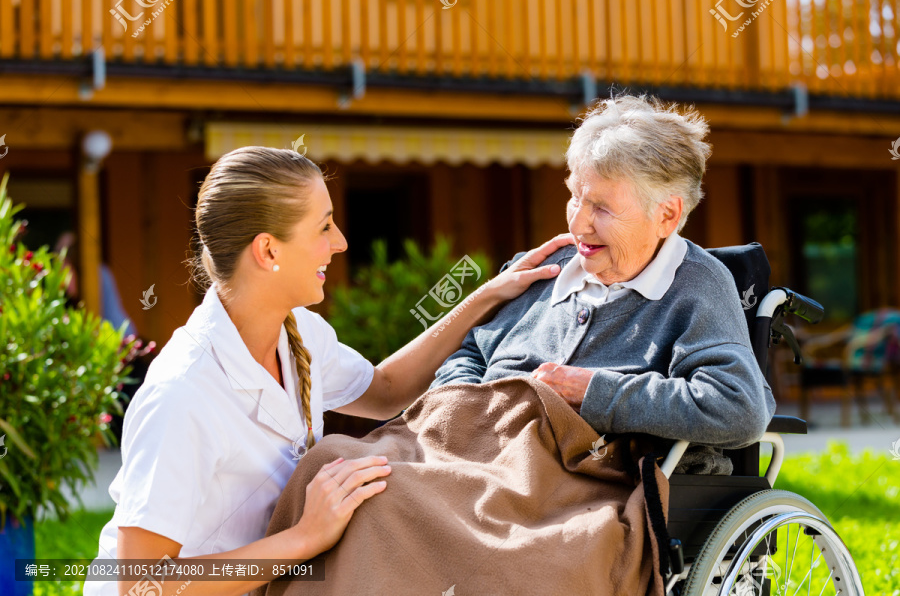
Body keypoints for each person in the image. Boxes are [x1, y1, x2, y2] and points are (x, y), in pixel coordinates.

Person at [84, 146, 574, 596]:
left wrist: (486, 296)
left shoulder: (299, 331)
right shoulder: (182, 394)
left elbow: (384, 391)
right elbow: (139, 587)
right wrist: (304, 539)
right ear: (268, 251)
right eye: (323, 227)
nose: (340, 243)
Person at [431, 94, 775, 474]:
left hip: (580, 490)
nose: (578, 224)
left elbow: (738, 409)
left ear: (667, 214)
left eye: (602, 208)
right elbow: (469, 355)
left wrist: (593, 392)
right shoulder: (541, 268)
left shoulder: (697, 287)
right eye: (575, 197)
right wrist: (463, 409)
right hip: (473, 459)